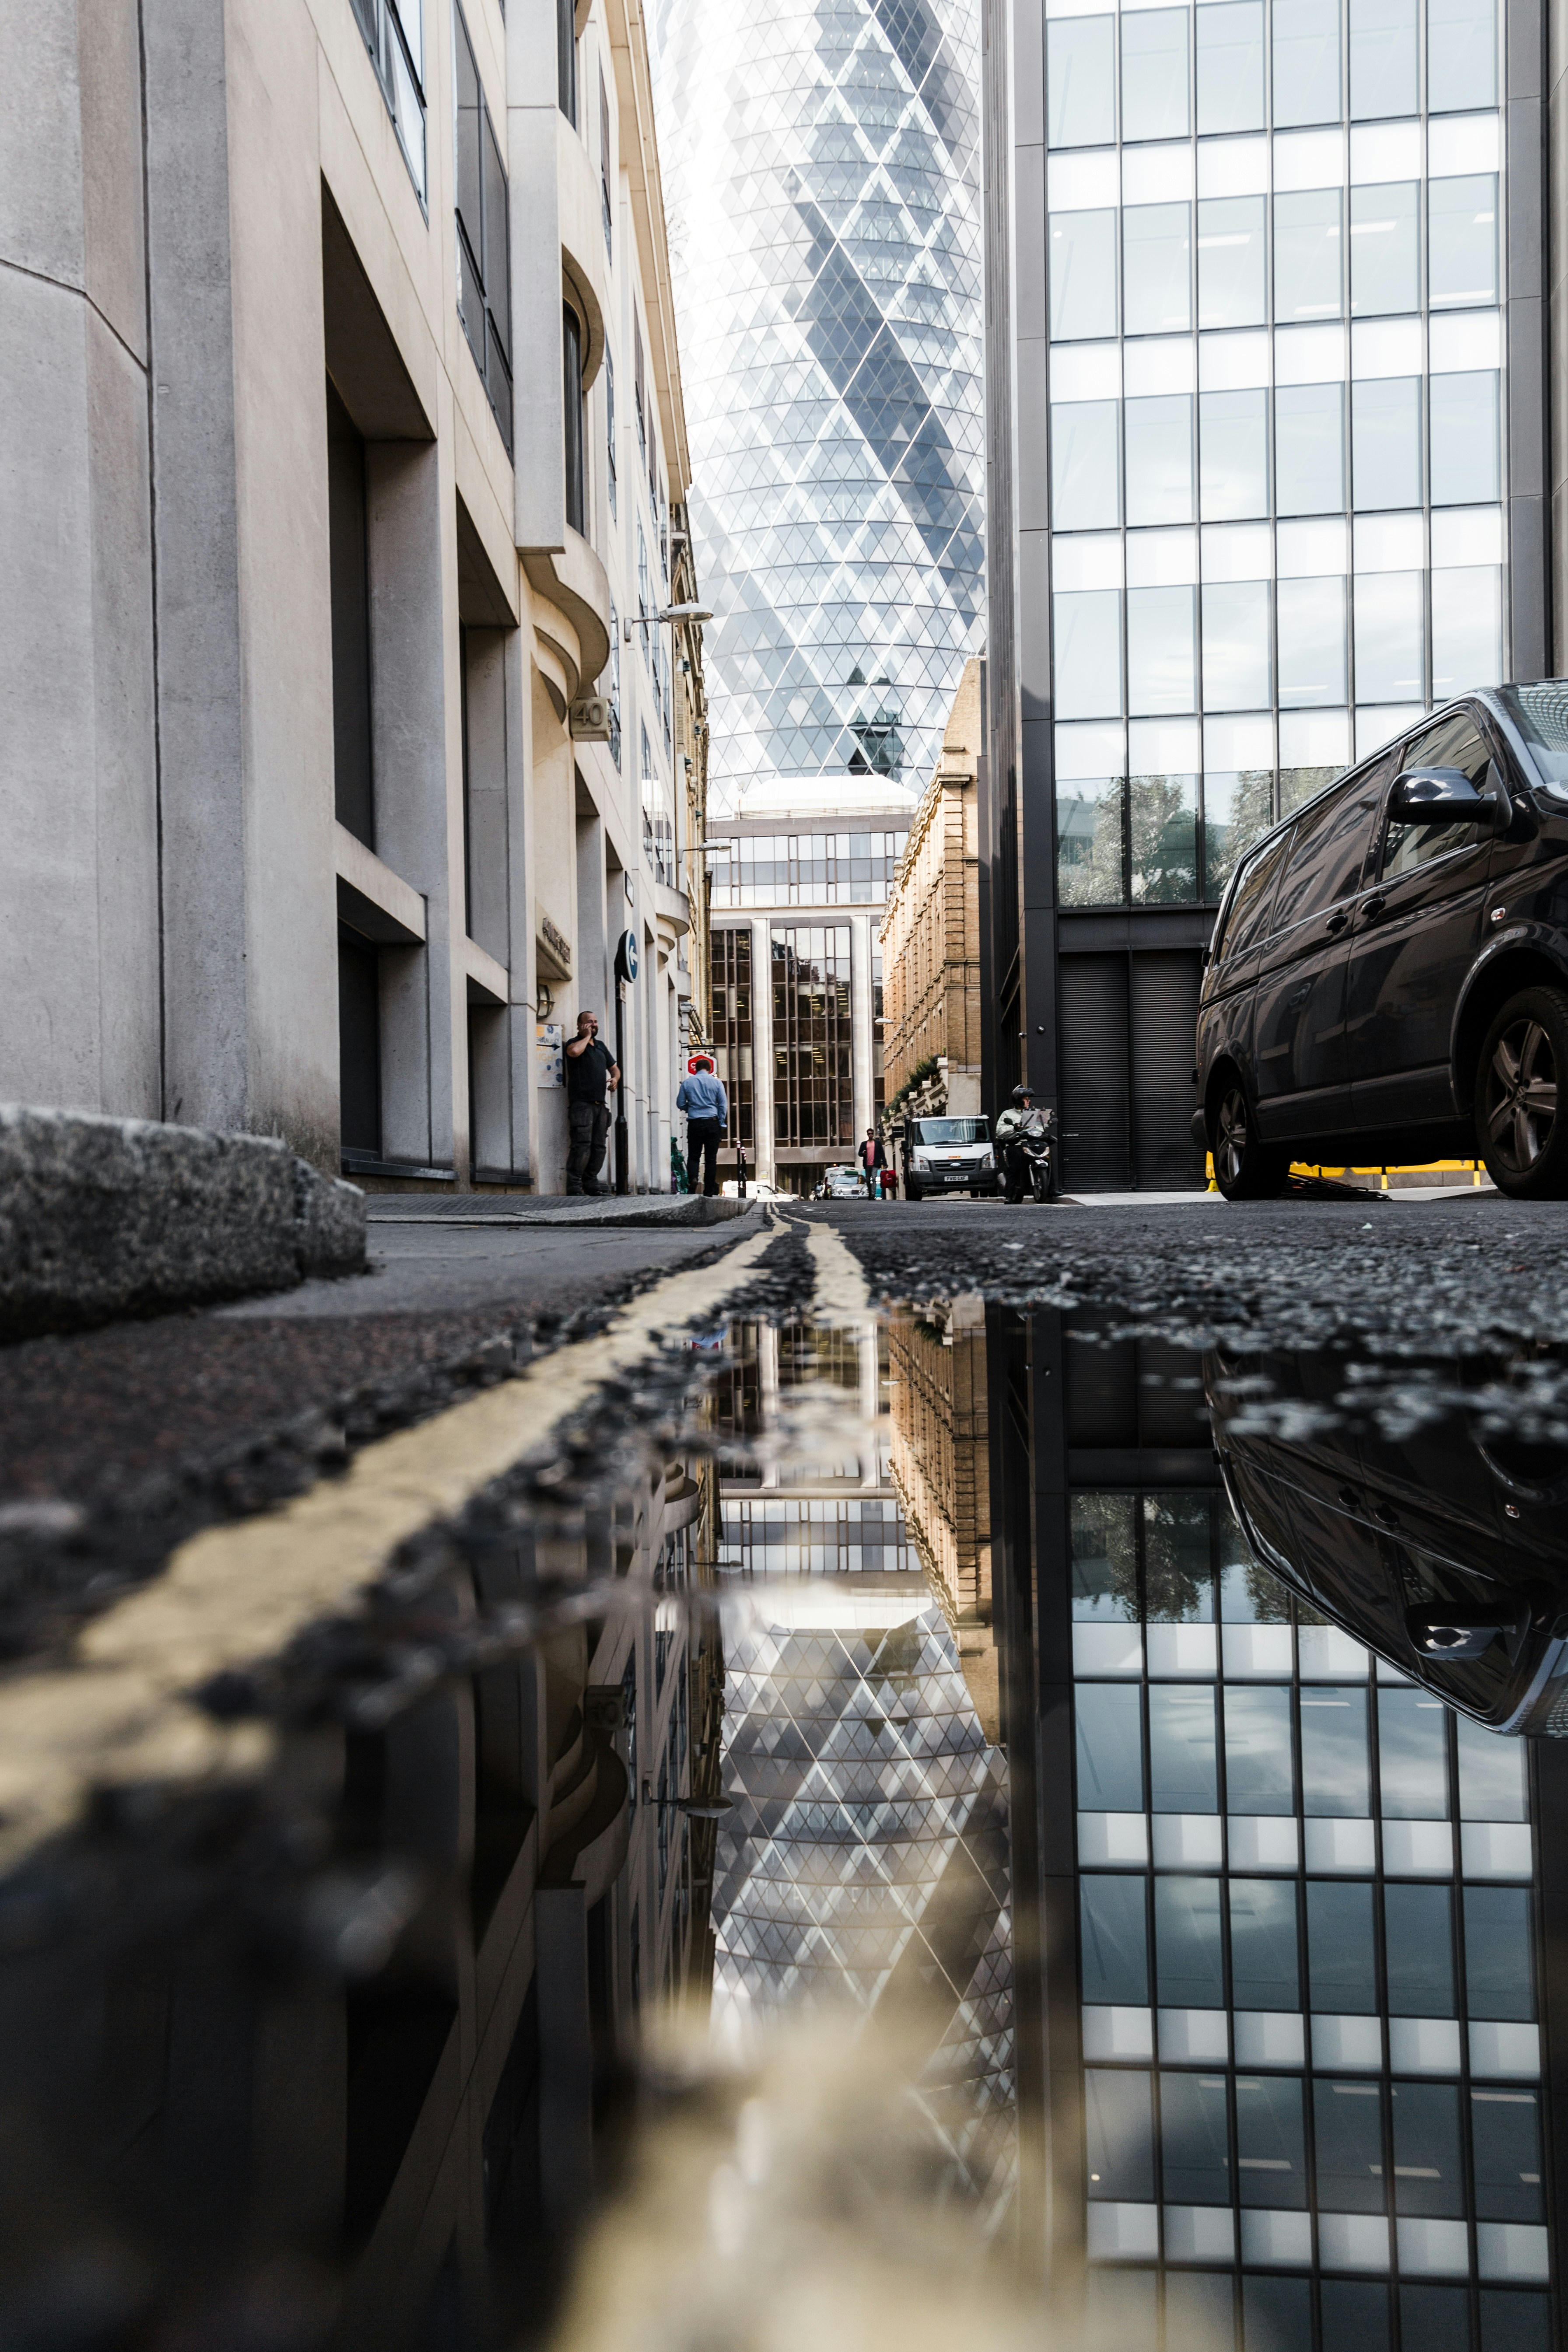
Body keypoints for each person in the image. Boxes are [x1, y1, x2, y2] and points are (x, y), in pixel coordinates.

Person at [564, 1009, 619, 1194]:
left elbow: (615, 1068)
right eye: (589, 1022)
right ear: (580, 1025)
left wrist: (615, 1079)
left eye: (595, 1022)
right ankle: (574, 1186)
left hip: (600, 1106)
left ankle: (592, 1185)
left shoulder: (601, 1047)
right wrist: (586, 1036)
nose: (594, 1025)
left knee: (599, 1148)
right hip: (582, 1105)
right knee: (582, 1146)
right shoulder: (574, 1043)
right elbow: (574, 1053)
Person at [677, 1054, 729, 1197]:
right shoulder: (717, 1083)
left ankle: (693, 1180)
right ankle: (708, 1192)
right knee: (711, 1159)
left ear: (696, 1069)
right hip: (712, 1123)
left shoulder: (687, 1083)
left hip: (695, 1123)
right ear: (710, 1069)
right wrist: (720, 1121)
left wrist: (692, 1108)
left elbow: (680, 1104)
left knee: (694, 1156)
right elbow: (723, 1105)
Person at [994, 1083, 1049, 1203]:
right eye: (1026, 1099)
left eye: (1029, 1099)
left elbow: (1042, 1128)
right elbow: (999, 1132)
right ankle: (1009, 1195)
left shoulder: (1034, 1112)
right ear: (1018, 1100)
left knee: (1048, 1158)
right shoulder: (1007, 1114)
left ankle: (1052, 1189)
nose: (1029, 1101)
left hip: (1032, 1144)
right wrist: (1014, 1128)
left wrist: (1047, 1123)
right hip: (1016, 1145)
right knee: (1014, 1167)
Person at [858, 1127, 887, 1198]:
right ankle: (870, 1193)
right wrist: (863, 1153)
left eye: (872, 1134)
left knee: (874, 1178)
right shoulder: (864, 1144)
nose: (871, 1135)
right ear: (867, 1135)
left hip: (875, 1164)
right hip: (867, 1165)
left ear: (873, 1134)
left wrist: (885, 1163)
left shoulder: (878, 1143)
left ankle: (873, 1194)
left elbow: (882, 1153)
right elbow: (859, 1154)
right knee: (868, 1180)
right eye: (869, 1134)